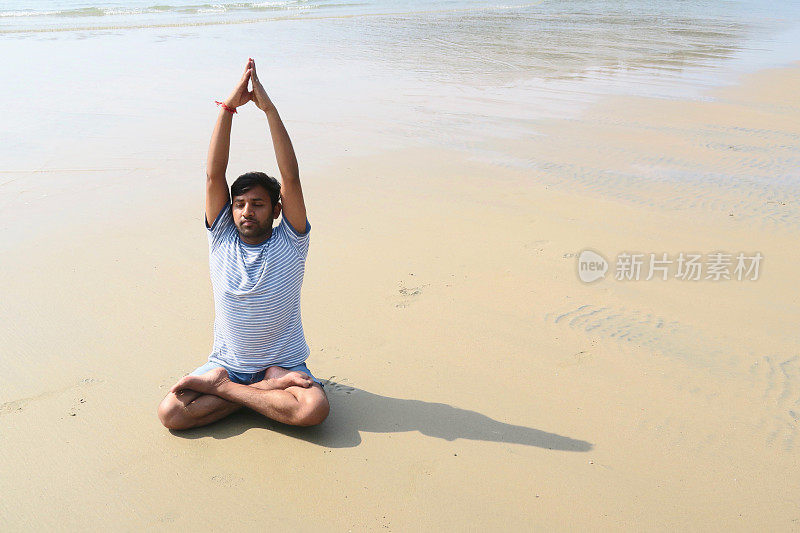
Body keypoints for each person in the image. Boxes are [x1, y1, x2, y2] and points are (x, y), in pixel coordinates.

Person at [157, 58, 329, 430]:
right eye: (239, 204)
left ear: (276, 209)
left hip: (283, 362)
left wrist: (268, 109)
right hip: (228, 363)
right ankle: (266, 394)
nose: (246, 211)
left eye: (258, 203)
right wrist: (228, 108)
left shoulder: (291, 240)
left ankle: (233, 392)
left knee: (314, 410)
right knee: (170, 414)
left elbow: (291, 177)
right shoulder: (221, 237)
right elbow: (213, 174)